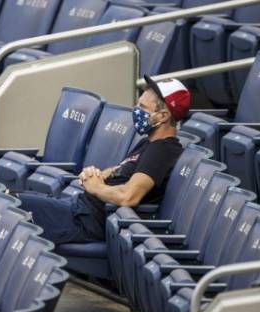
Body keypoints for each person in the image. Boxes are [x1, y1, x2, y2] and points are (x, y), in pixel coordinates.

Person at [17, 75, 191, 245]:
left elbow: (129, 196)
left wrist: (97, 187)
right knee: (10, 198)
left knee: (11, 207)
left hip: (86, 221)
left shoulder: (162, 150)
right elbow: (117, 172)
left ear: (162, 116)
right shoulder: (148, 142)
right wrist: (94, 175)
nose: (135, 109)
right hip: (79, 209)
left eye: (142, 107)